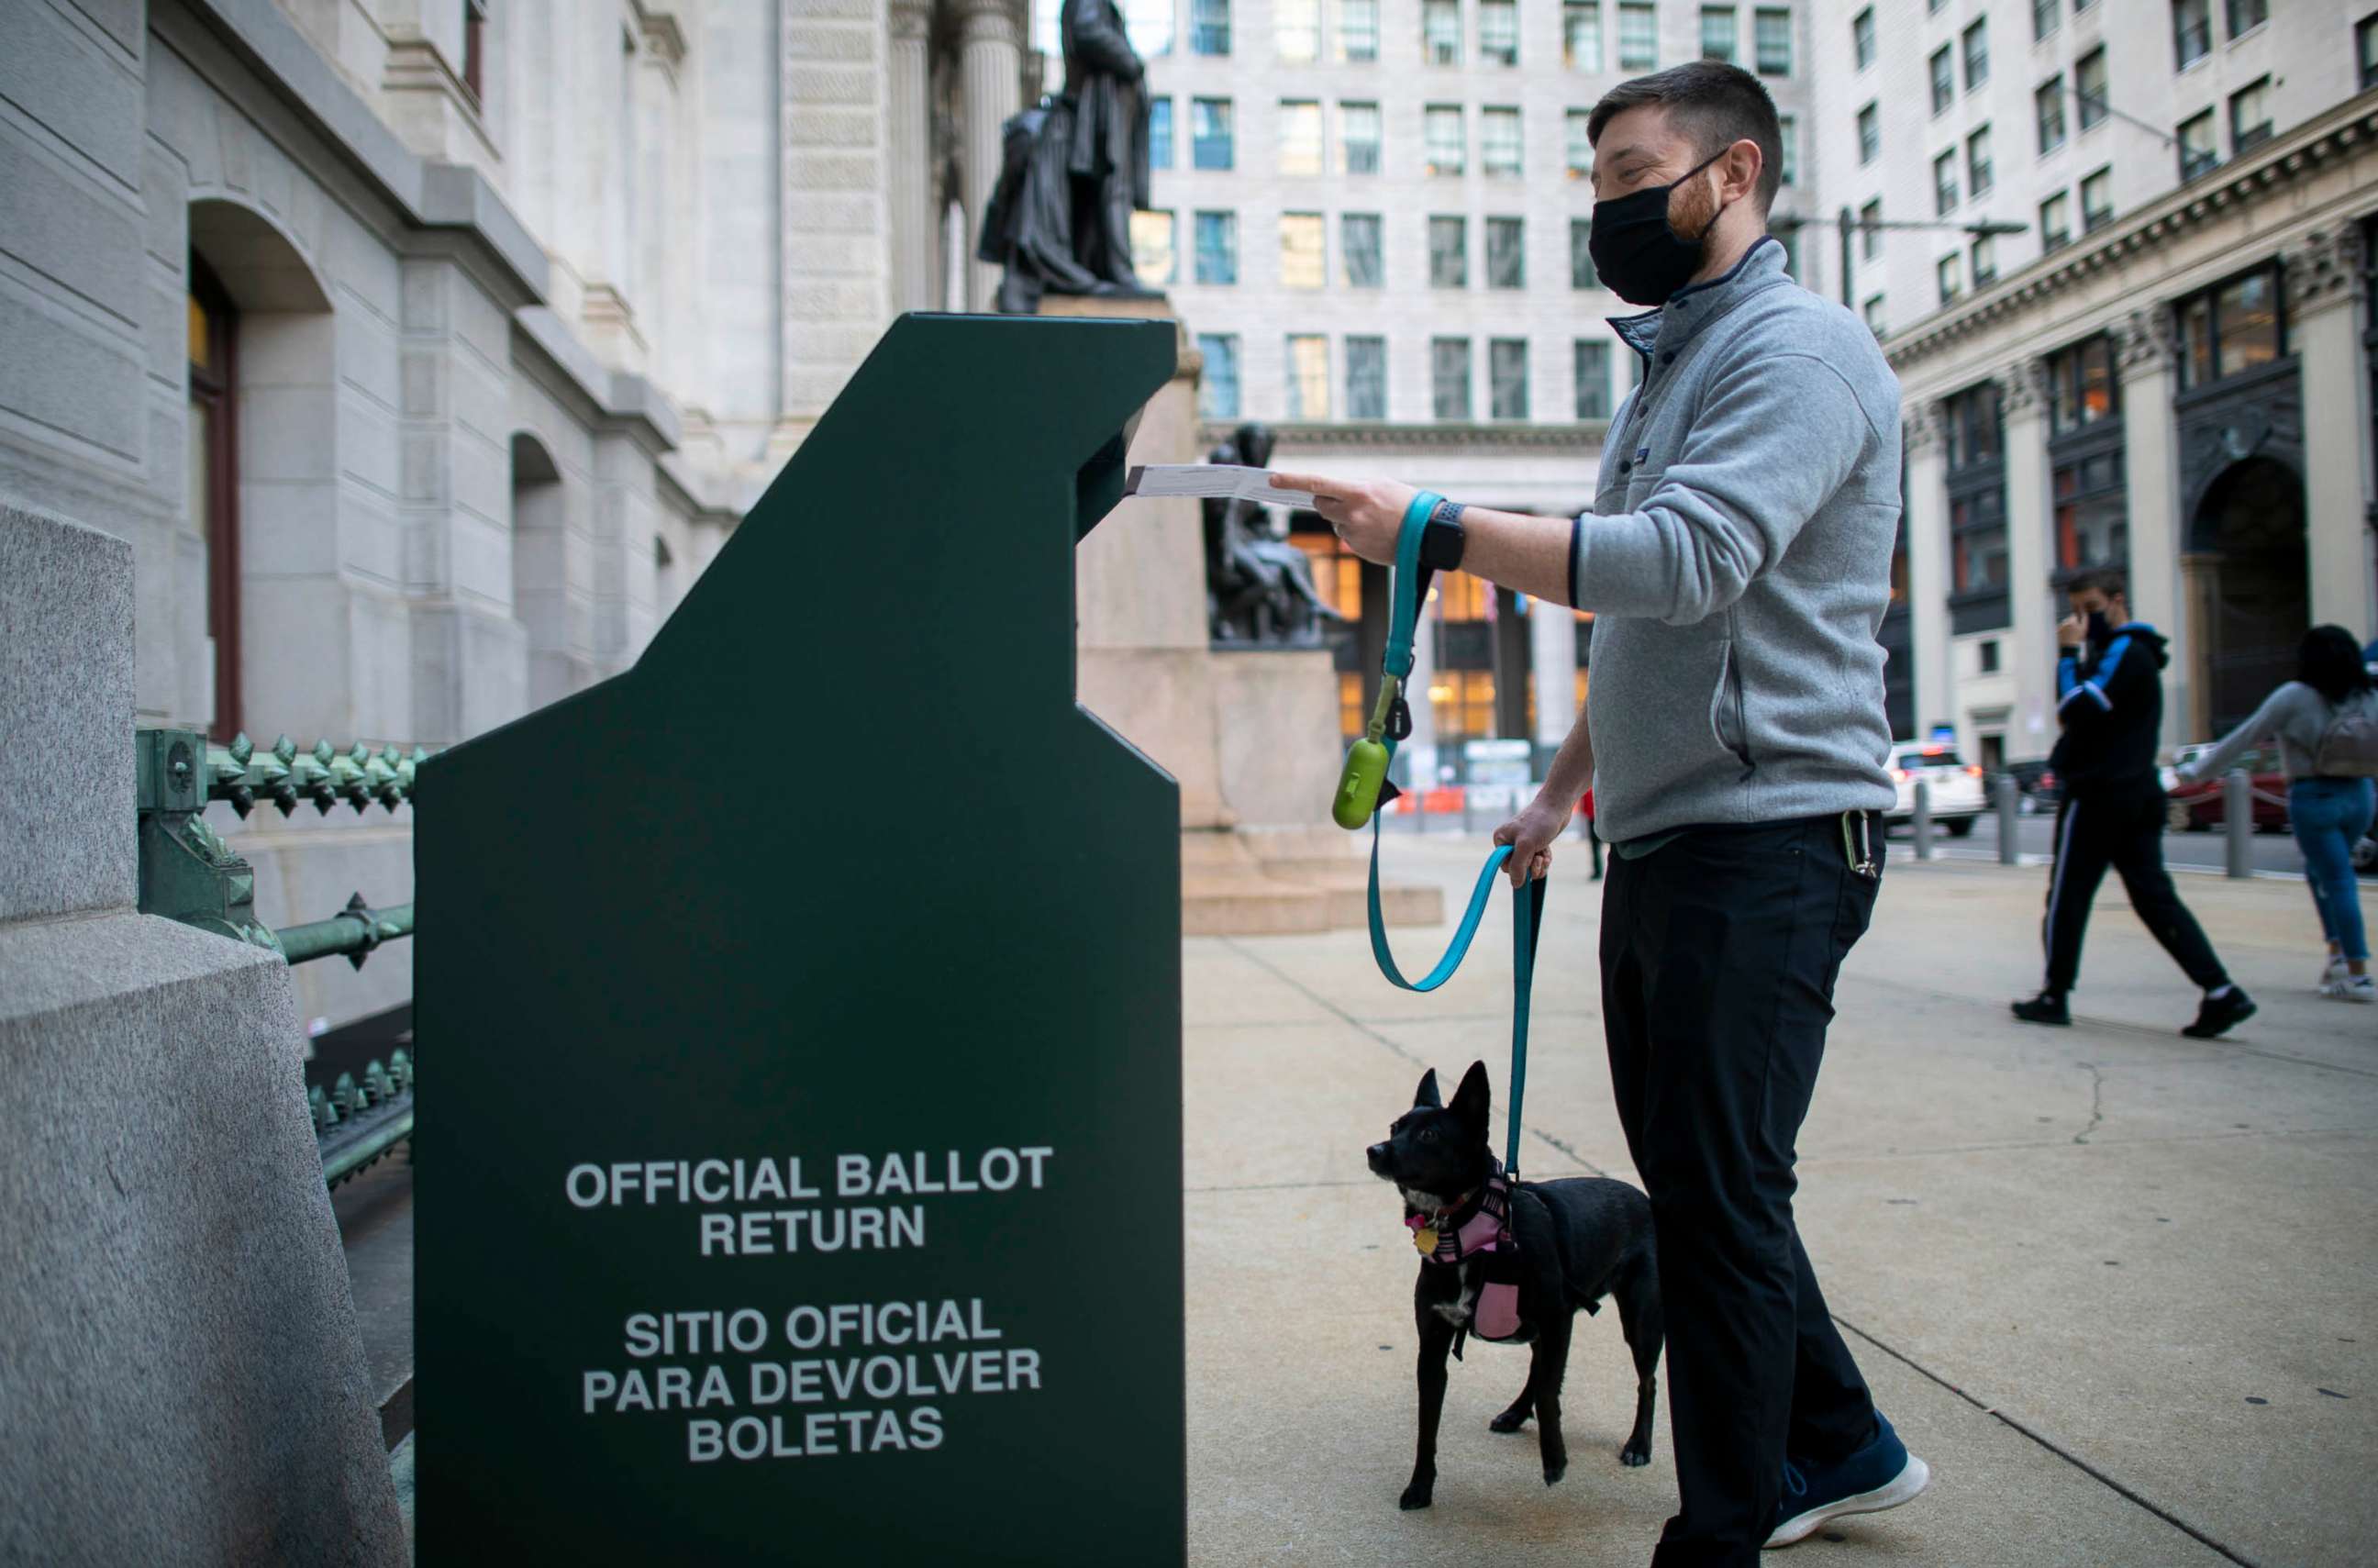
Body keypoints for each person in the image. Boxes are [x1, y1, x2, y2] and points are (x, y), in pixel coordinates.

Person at [1275, 60, 1927, 1565]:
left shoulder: (1799, 352)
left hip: (1770, 836)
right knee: (1710, 1188)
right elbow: (1651, 624)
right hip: (1670, 836)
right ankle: (1844, 1442)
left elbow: (1680, 561)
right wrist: (1561, 792)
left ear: (1735, 173)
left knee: (1717, 1202)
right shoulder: (1677, 370)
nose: (1608, 206)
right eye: (1597, 183)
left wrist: (1431, 524)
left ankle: (1726, 1518)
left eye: (1635, 172)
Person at [2011, 571, 2256, 1038]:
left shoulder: (2124, 650)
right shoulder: (2127, 653)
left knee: (2068, 896)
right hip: (2135, 790)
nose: (2083, 620)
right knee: (2153, 897)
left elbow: (2077, 706)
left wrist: (2066, 654)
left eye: (2091, 609)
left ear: (2118, 601)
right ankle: (2221, 991)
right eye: (2078, 611)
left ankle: (2054, 994)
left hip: (2101, 793)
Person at [2177, 625, 2377, 1004]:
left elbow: (2245, 737)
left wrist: (2195, 772)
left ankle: (2358, 973)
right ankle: (2336, 953)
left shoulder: (2294, 697)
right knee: (2322, 872)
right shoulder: (2368, 696)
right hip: (2361, 795)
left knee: (2336, 878)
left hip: (2314, 796)